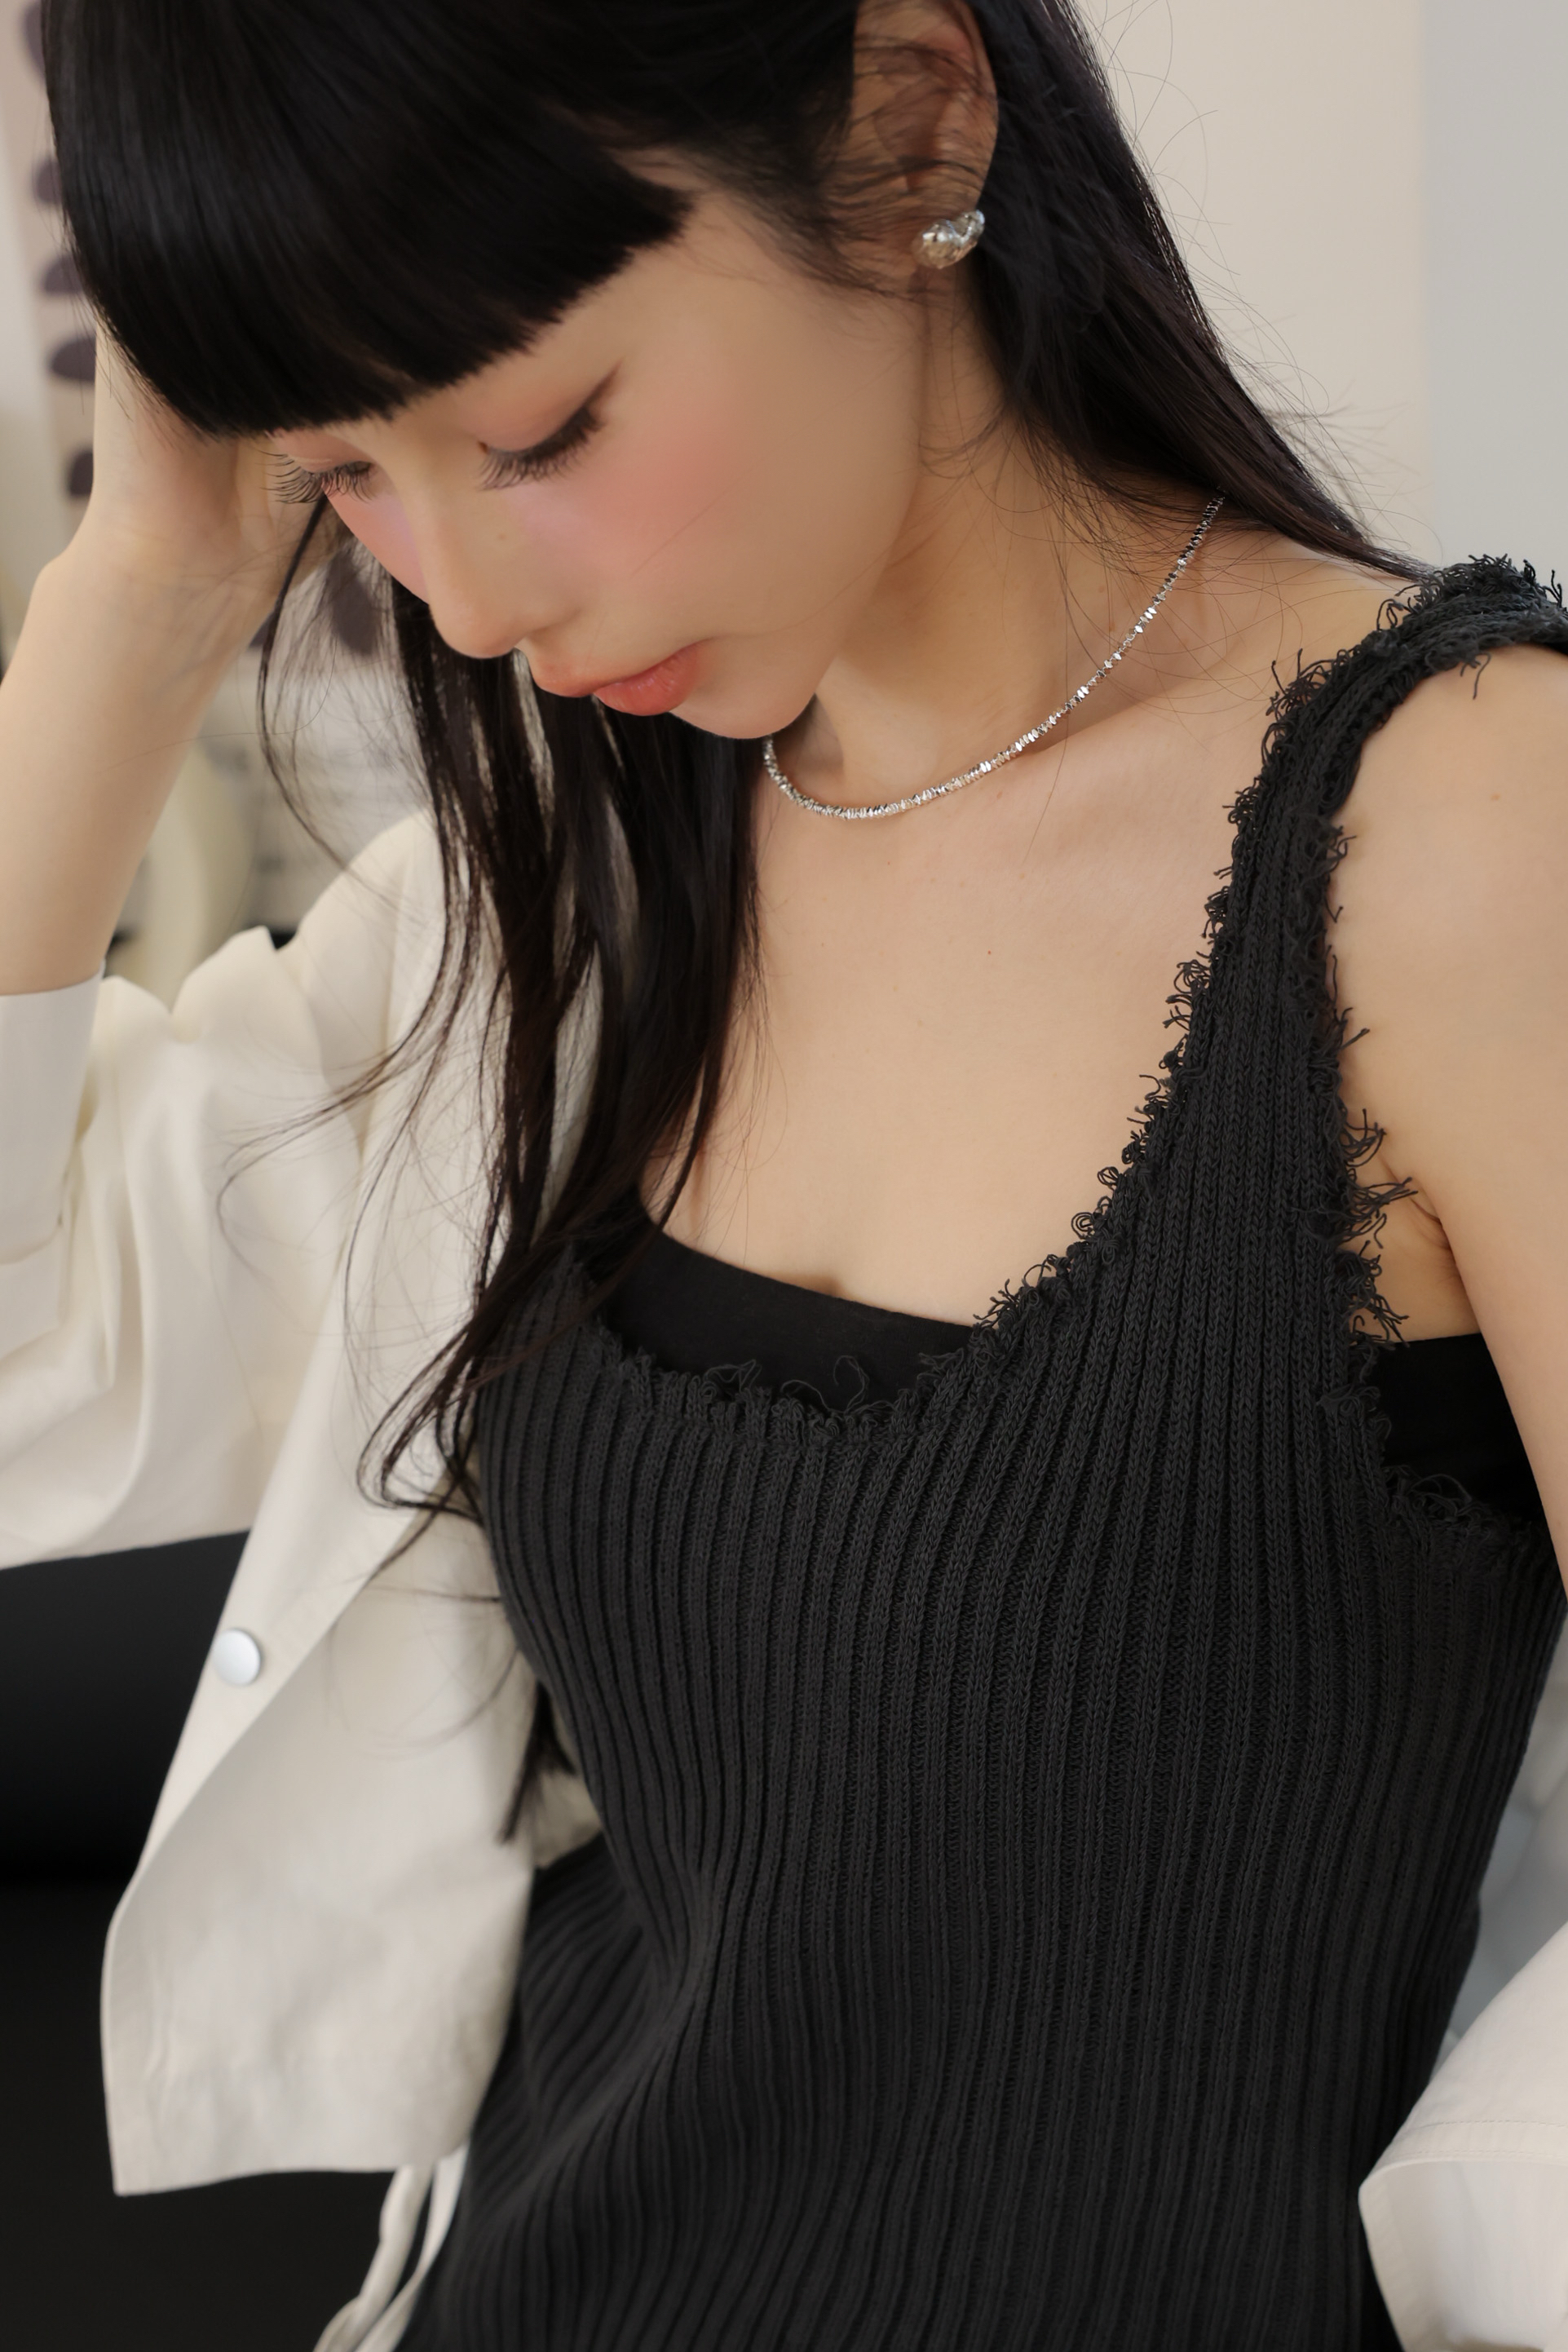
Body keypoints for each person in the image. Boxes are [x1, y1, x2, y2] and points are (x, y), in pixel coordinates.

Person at [2, 0, 1566, 2345]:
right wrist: (138, 589)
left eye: (539, 433)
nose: (464, 608)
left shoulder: (1462, 835)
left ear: (911, 117)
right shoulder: (565, 888)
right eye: (345, 476)